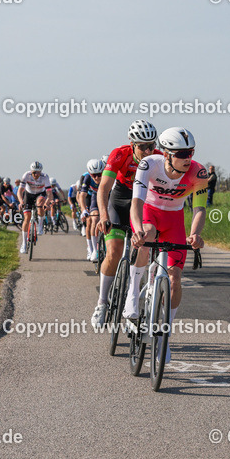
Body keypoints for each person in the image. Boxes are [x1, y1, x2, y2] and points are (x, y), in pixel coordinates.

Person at [127, 127, 209, 351]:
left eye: (190, 152)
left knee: (175, 279)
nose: (188, 158)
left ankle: (165, 336)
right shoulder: (148, 165)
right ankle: (133, 293)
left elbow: (199, 209)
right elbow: (137, 202)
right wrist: (137, 231)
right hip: (150, 212)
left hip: (174, 218)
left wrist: (195, 234)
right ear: (166, 154)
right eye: (182, 154)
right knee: (148, 235)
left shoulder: (198, 172)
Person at [91, 119, 159, 327]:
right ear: (132, 144)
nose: (148, 151)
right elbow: (104, 188)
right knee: (114, 250)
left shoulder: (159, 157)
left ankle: (131, 300)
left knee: (142, 247)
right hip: (120, 199)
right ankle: (102, 302)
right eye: (142, 147)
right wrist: (103, 216)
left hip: (144, 200)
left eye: (152, 145)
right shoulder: (119, 154)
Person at [17, 161, 52, 254]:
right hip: (28, 195)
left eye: (38, 172)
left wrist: (47, 203)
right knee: (27, 218)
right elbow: (20, 191)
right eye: (34, 172)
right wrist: (21, 201)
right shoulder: (26, 175)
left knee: (40, 204)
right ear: (31, 171)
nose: (36, 174)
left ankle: (40, 226)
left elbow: (49, 193)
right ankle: (24, 244)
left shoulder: (45, 177)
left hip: (40, 193)